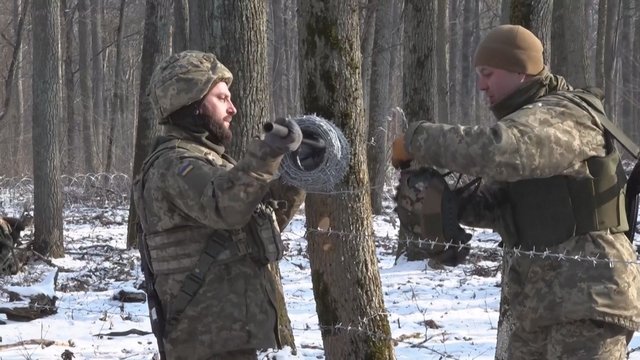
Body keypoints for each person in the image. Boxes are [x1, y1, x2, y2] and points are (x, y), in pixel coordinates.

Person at [391, 24, 640, 359]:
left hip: (590, 298)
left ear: (520, 70)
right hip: (538, 302)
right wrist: (444, 202)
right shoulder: (529, 120)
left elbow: (499, 151)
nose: (481, 85)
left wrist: (416, 138)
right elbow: (503, 208)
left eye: (488, 73)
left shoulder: (564, 115)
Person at [133, 50, 303, 360]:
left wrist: (297, 173)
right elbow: (227, 208)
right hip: (205, 340)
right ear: (192, 104)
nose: (233, 108)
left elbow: (255, 219)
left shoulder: (210, 164)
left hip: (228, 337)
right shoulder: (174, 165)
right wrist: (266, 154)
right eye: (221, 98)